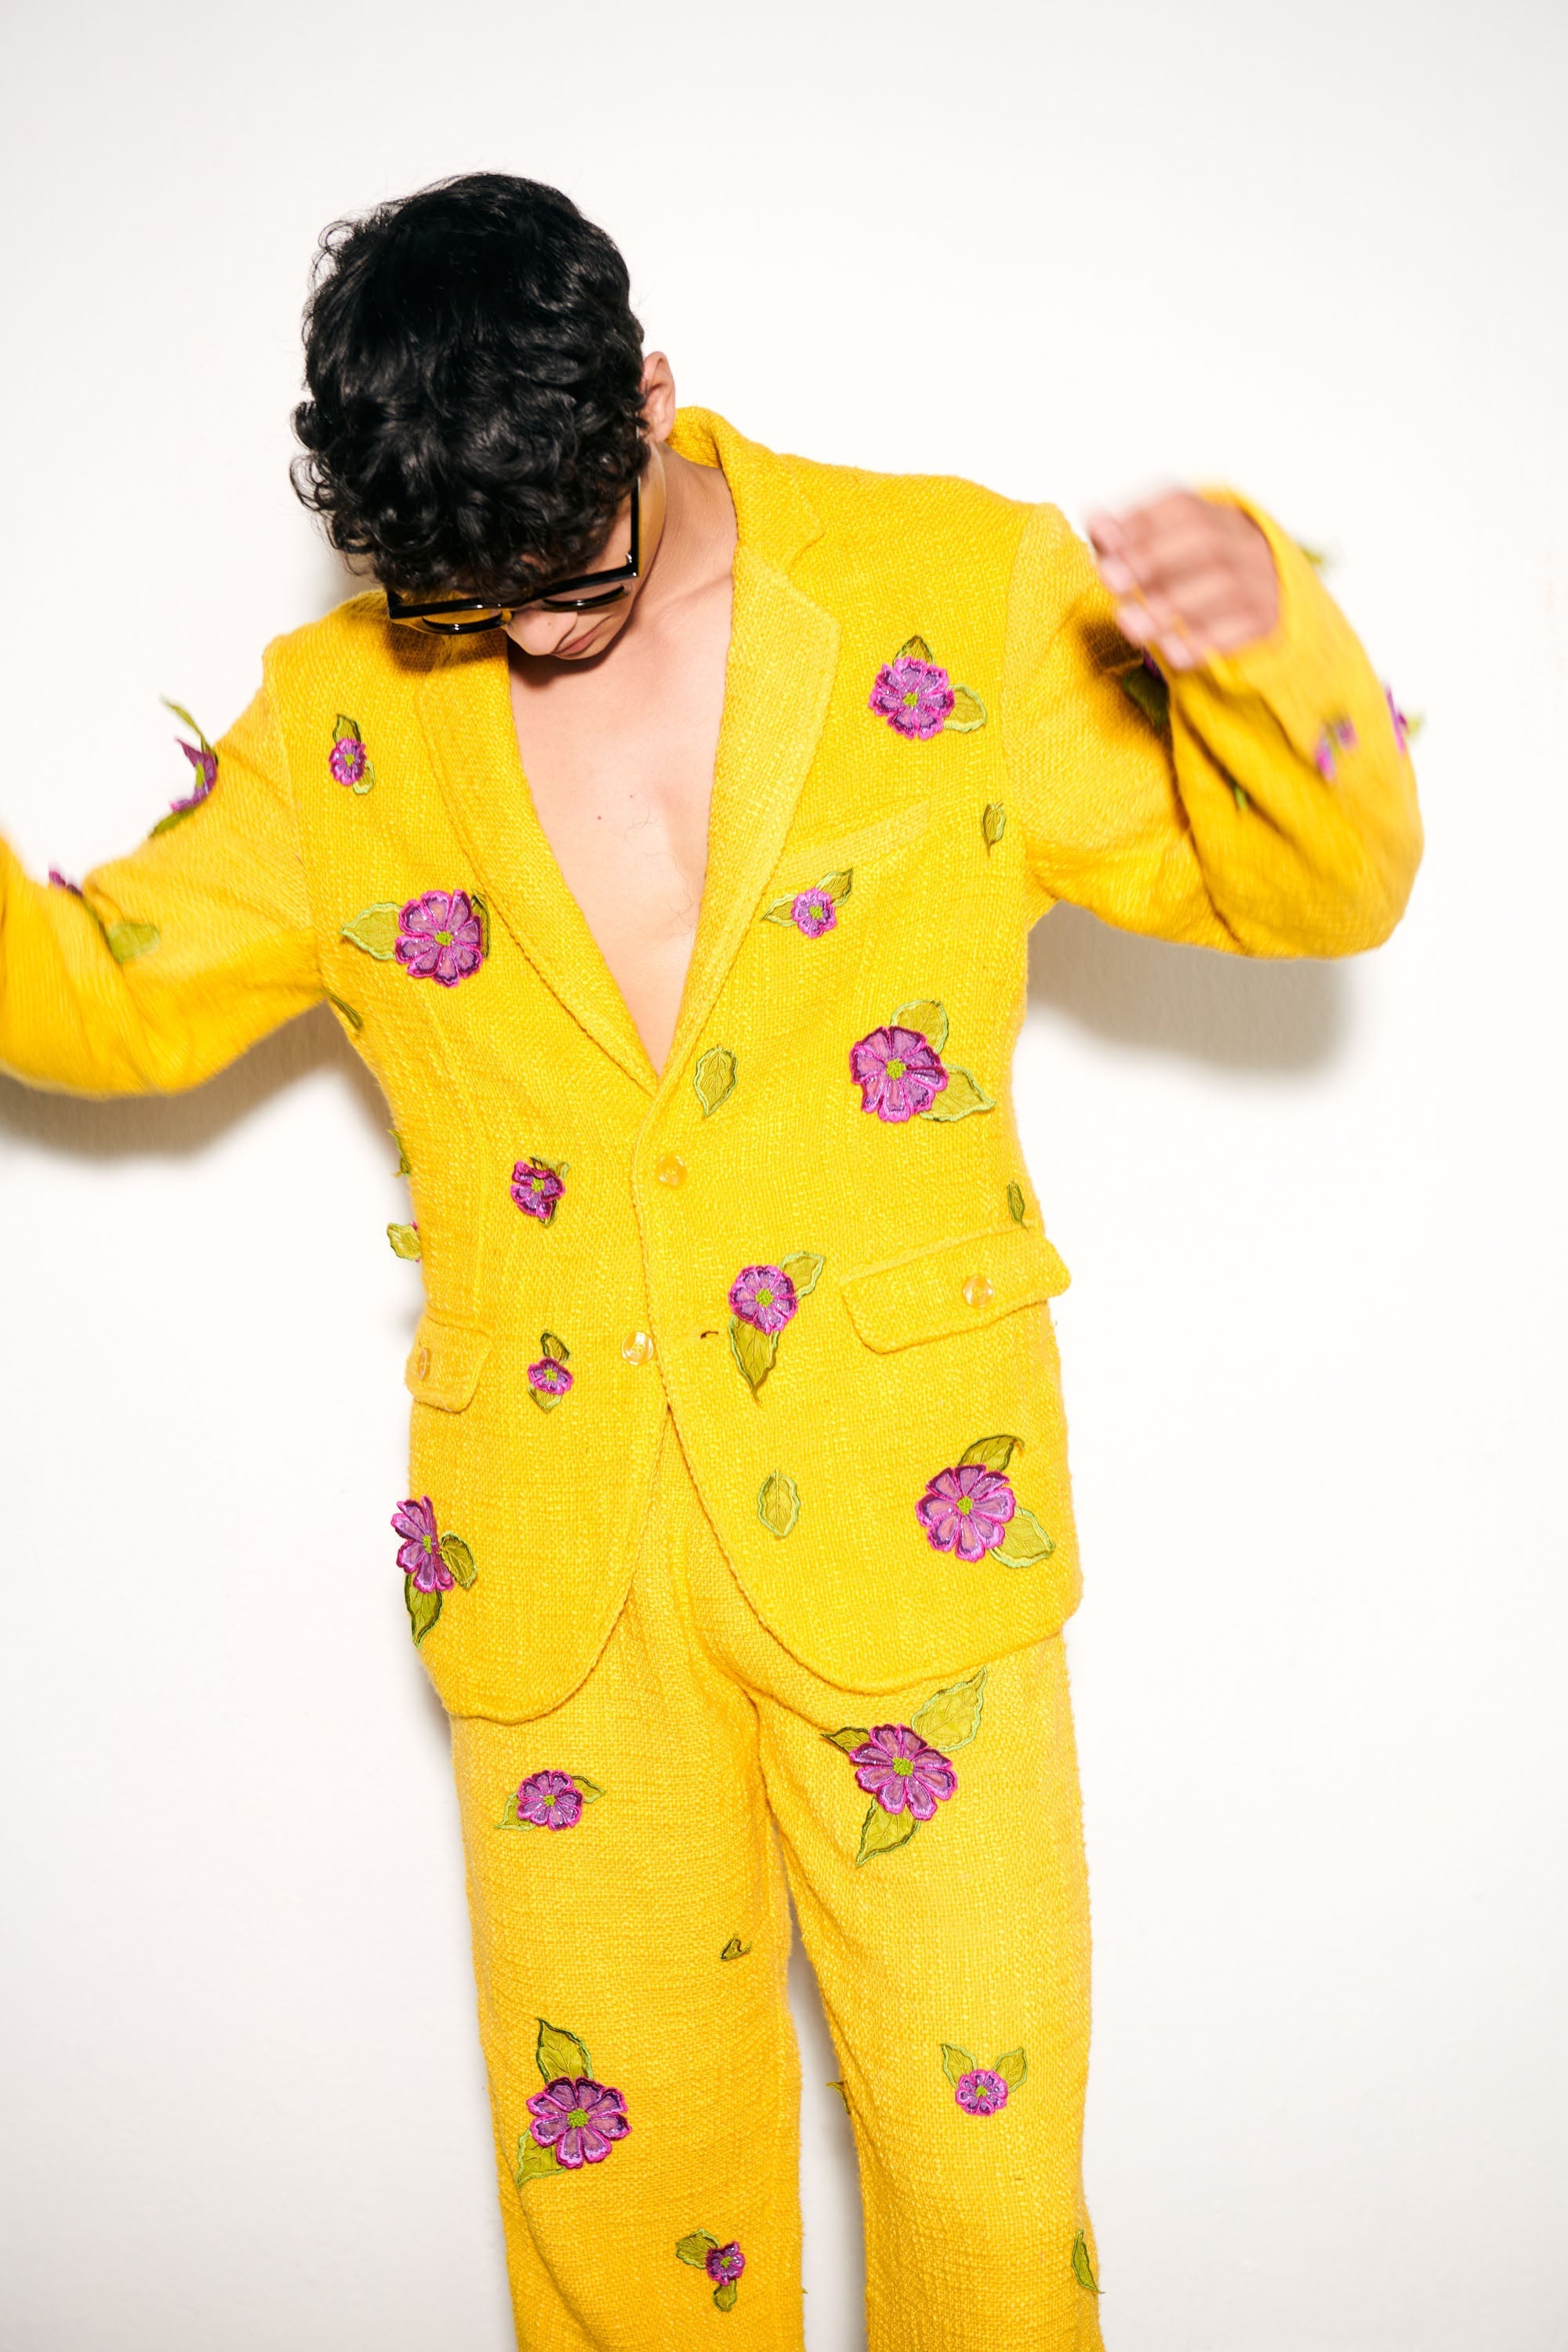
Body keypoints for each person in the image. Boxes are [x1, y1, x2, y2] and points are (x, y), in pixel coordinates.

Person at [0, 171, 1421, 2351]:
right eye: (466, 601)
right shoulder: (343, 720)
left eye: (567, 572)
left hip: (913, 1518)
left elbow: (1310, 893)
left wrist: (1268, 643)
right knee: (624, 2212)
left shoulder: (954, 588)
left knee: (983, 2195)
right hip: (559, 1566)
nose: (530, 634)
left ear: (654, 394)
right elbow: (103, 994)